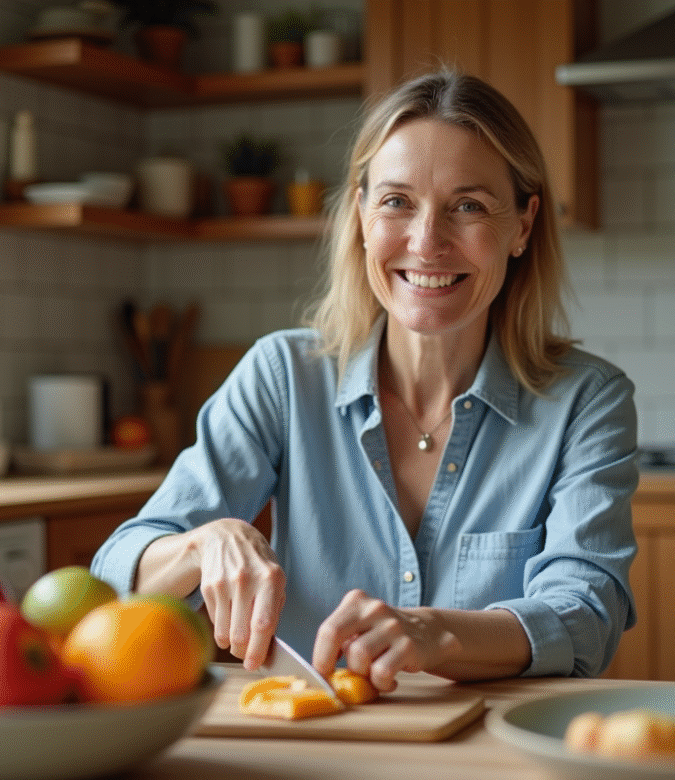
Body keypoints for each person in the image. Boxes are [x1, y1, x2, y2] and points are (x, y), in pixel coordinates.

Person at [92, 70, 638, 691]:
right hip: (317, 732)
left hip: (494, 737)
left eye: (468, 206)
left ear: (523, 224)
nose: (426, 243)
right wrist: (203, 544)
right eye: (397, 201)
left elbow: (587, 614)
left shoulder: (587, 401)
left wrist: (436, 633)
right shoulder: (282, 376)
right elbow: (112, 577)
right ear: (360, 213)